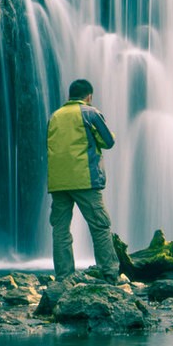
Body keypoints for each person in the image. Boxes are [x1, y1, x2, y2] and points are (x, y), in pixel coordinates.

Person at [45, 78, 122, 283]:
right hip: (85, 179)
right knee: (99, 226)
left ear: (69, 96)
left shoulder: (55, 116)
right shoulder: (90, 113)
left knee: (60, 231)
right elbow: (108, 141)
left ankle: (64, 276)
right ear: (89, 96)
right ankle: (109, 273)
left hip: (59, 182)